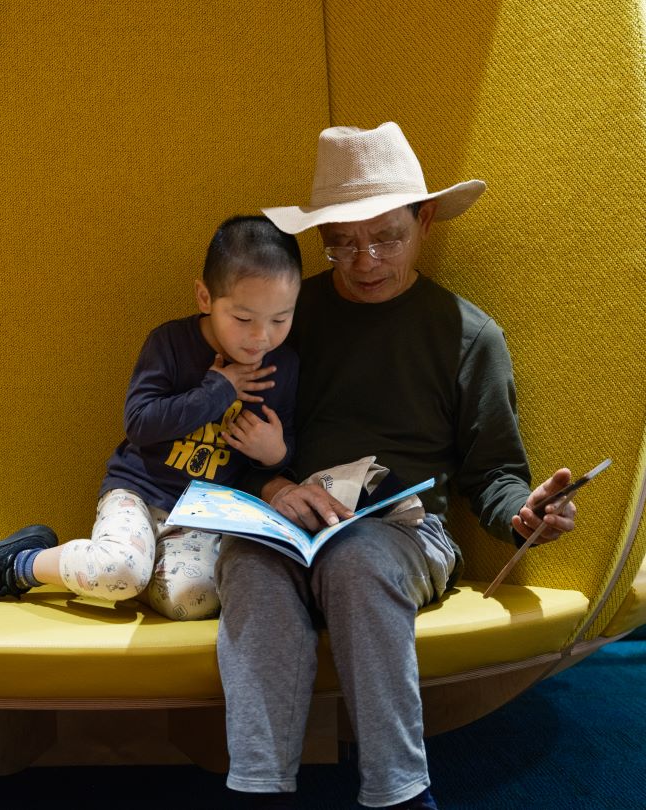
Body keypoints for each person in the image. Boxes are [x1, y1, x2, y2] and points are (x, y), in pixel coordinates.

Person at [215, 122, 579, 809]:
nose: (365, 260)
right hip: (293, 523)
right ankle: (258, 789)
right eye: (343, 243)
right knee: (247, 560)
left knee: (356, 558)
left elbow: (494, 475)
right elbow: (234, 443)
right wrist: (276, 485)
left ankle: (399, 794)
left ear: (426, 219)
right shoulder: (287, 319)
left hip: (403, 533)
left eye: (387, 237)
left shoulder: (469, 335)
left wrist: (525, 515)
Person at [0, 215, 302, 620]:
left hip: (201, 516)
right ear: (205, 298)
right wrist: (218, 389)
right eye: (244, 319)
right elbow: (140, 424)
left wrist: (274, 453)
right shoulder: (171, 344)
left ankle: (132, 574)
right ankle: (21, 564)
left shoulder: (282, 366)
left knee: (192, 601)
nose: (261, 337)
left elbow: (272, 459)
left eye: (280, 320)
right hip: (139, 493)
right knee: (122, 570)